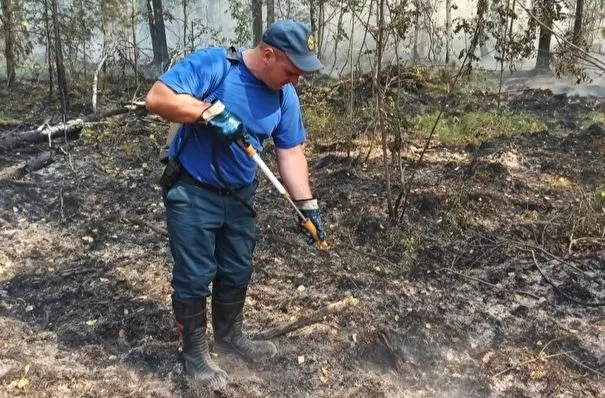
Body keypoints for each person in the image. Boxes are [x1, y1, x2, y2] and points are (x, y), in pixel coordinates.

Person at [144, 19, 327, 386]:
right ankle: (195, 353)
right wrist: (207, 113)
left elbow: (290, 153)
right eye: (291, 71)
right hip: (194, 190)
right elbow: (157, 99)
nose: (296, 80)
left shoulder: (284, 95)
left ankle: (229, 336)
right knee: (195, 275)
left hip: (240, 195)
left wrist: (306, 204)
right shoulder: (215, 66)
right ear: (268, 53)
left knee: (237, 269)